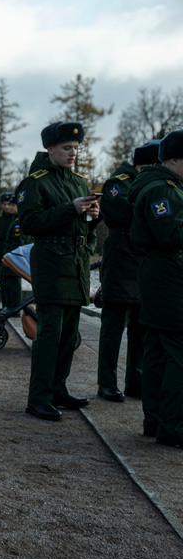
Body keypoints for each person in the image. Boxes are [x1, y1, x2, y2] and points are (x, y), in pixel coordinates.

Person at [15, 122, 100, 420]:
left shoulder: (78, 181)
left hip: (75, 264)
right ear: (50, 149)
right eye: (66, 148)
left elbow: (83, 226)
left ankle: (57, 390)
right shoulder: (35, 183)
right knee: (49, 333)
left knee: (68, 334)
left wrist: (92, 220)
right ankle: (38, 397)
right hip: (51, 263)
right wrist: (71, 209)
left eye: (75, 148)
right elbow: (30, 224)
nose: (72, 153)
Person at [129, 131, 183, 448]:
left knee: (158, 352)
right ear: (174, 159)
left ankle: (156, 420)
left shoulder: (163, 186)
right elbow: (169, 235)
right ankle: (172, 426)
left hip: (160, 274)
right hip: (168, 274)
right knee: (176, 353)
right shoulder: (162, 189)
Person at [95, 141, 157, 403]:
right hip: (121, 258)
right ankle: (107, 383)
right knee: (113, 326)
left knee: (141, 328)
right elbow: (122, 211)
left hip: (143, 260)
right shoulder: (117, 183)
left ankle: (136, 381)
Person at [0, 192, 22, 312]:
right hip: (0, 253)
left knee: (12, 281)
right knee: (3, 280)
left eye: (10, 204)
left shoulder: (17, 221)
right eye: (5, 204)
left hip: (12, 254)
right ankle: (6, 305)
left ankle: (13, 307)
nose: (7, 207)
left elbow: (18, 240)